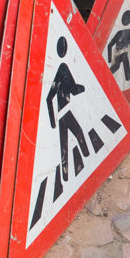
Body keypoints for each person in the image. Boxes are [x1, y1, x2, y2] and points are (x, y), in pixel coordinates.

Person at [46, 36, 89, 198]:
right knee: (79, 134)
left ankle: (65, 176)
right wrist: (52, 121)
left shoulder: (59, 69)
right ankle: (87, 159)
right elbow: (72, 88)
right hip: (66, 112)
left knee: (63, 146)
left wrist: (53, 120)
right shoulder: (63, 68)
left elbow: (51, 97)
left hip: (60, 116)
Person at [107, 10, 130, 82]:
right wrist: (109, 59)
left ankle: (106, 77)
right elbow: (110, 45)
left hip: (122, 53)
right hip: (119, 53)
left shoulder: (127, 31)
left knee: (123, 67)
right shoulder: (122, 32)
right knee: (117, 66)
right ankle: (105, 77)